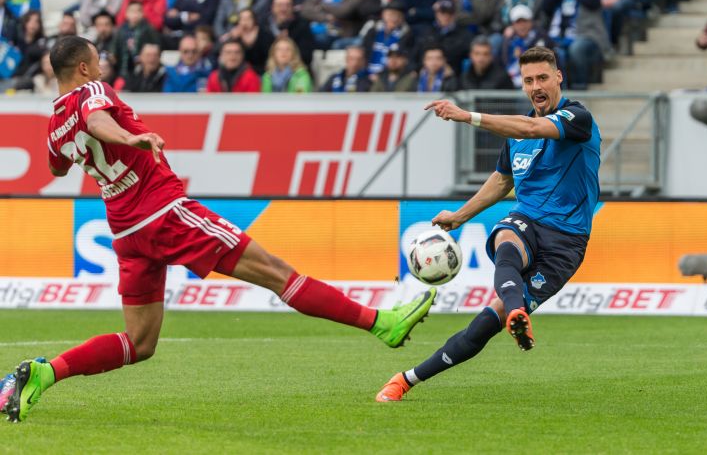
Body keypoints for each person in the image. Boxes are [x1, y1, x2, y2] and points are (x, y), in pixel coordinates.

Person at [1, 35, 436, 423]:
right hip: (165, 211)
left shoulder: (54, 125)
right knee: (278, 273)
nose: (102, 69)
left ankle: (45, 372)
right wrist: (128, 138)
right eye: (97, 63)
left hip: (127, 233)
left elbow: (56, 168)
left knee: (140, 341)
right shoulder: (92, 92)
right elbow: (98, 120)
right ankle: (382, 323)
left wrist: (95, 148)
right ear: (82, 68)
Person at [375, 46, 600, 402]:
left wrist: (467, 117)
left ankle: (505, 315)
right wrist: (459, 216)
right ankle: (403, 381)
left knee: (482, 326)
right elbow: (501, 181)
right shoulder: (514, 139)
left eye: (543, 77)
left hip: (568, 243)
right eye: (529, 80)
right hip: (529, 221)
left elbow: (531, 128)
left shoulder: (577, 117)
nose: (536, 86)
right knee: (507, 237)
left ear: (559, 78)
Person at [540, 0, 610, 90]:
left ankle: (580, 88)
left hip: (589, 36)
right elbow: (545, 7)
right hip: (559, 36)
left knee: (576, 48)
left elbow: (592, 2)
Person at [501, 5, 555, 87]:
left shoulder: (541, 37)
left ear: (531, 22)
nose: (522, 25)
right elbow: (504, 62)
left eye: (525, 21)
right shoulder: (509, 39)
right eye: (518, 22)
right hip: (512, 80)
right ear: (513, 25)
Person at [361, 0, 413, 76]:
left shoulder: (407, 35)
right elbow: (365, 52)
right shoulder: (373, 31)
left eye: (398, 15)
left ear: (402, 18)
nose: (394, 19)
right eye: (390, 15)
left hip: (390, 76)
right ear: (383, 15)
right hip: (368, 73)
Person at [111, 1, 160, 80]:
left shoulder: (148, 29)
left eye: (138, 11)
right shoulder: (121, 30)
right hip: (123, 67)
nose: (135, 14)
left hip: (143, 68)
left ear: (143, 13)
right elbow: (114, 48)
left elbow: (156, 46)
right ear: (126, 13)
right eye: (132, 11)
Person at [265, 0, 314, 67]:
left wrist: (288, 43)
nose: (283, 9)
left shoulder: (302, 26)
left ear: (293, 8)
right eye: (279, 5)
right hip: (269, 71)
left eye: (288, 5)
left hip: (296, 72)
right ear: (272, 7)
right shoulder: (263, 26)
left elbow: (307, 57)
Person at [428, 0, 472, 77]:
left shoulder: (464, 33)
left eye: (449, 13)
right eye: (442, 13)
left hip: (453, 71)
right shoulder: (428, 32)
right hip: (428, 69)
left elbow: (463, 53)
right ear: (436, 14)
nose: (446, 16)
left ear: (454, 15)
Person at [224, 8, 272, 74]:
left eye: (248, 19)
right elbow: (218, 50)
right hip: (239, 72)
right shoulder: (235, 35)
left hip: (262, 71)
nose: (245, 22)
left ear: (254, 20)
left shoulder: (264, 34)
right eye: (242, 19)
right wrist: (231, 37)